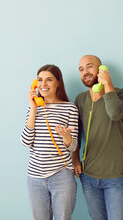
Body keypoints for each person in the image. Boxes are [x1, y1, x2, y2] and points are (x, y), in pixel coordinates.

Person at [72, 55, 123, 220]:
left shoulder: (122, 93)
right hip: (88, 176)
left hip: (115, 177)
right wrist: (75, 158)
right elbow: (75, 132)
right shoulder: (80, 99)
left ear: (101, 68)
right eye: (81, 69)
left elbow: (115, 113)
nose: (85, 72)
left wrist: (107, 84)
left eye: (90, 67)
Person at [21, 64, 79, 220]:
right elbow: (26, 141)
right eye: (40, 80)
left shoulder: (70, 108)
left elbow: (73, 147)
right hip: (35, 177)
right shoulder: (32, 109)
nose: (43, 84)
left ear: (58, 83)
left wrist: (66, 137)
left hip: (61, 175)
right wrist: (34, 107)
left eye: (49, 80)